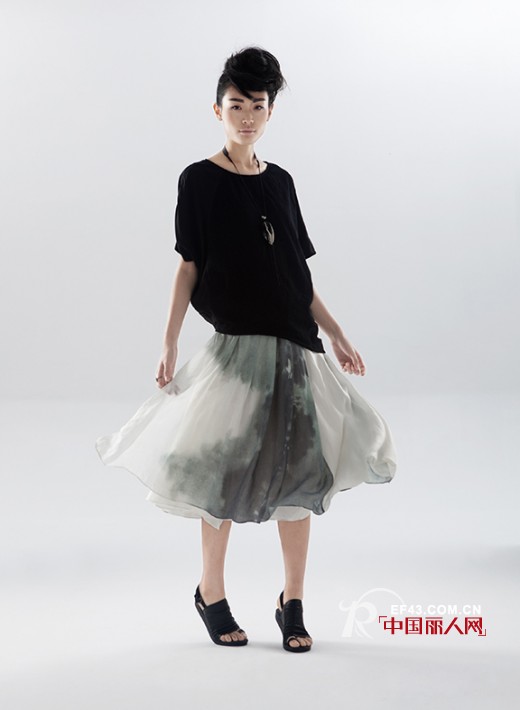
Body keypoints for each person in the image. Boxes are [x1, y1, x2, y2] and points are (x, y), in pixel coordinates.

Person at [95, 46, 397, 653]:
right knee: (221, 472)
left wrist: (337, 334)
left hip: (295, 348)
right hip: (237, 353)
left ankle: (293, 602)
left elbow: (298, 274)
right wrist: (169, 339)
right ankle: (211, 591)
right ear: (218, 110)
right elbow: (188, 265)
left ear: (270, 111)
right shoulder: (199, 180)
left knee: (301, 472)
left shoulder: (281, 182)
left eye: (258, 106)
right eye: (236, 106)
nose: (247, 117)